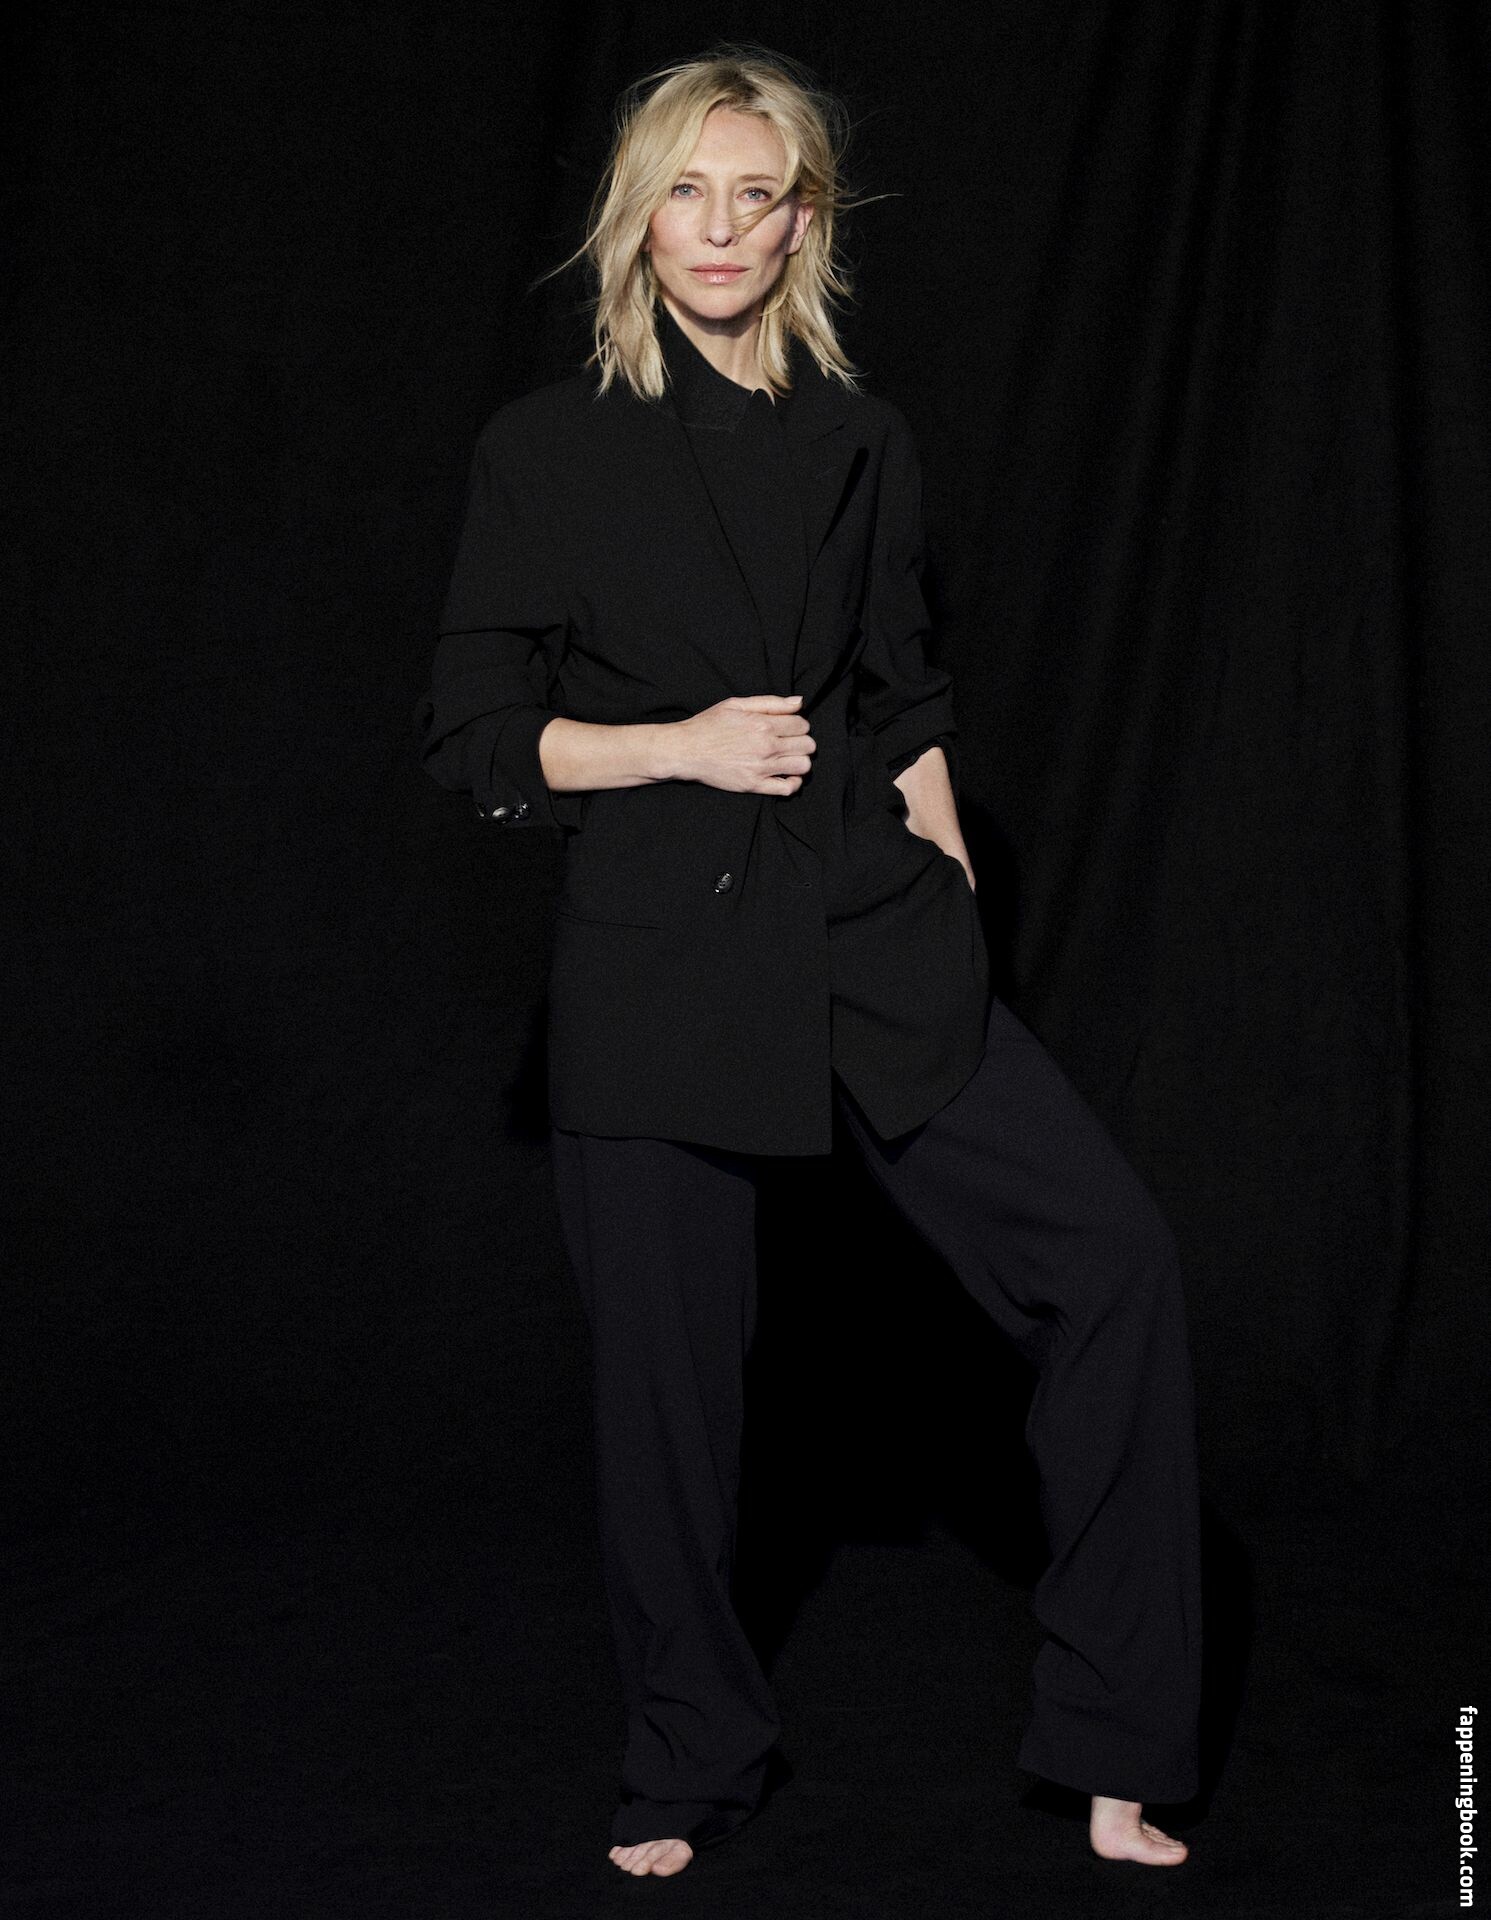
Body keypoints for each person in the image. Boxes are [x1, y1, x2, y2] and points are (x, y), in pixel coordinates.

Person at [413, 43, 1203, 1881]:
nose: (718, 227)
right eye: (685, 192)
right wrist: (675, 747)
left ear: (802, 226)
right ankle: (689, 1757)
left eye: (754, 194)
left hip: (865, 932)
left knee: (1117, 1268)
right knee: (673, 1408)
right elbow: (473, 736)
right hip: (660, 963)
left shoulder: (864, 440)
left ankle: (1118, 1740)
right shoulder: (545, 448)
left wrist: (951, 912)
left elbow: (905, 702)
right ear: (637, 217)